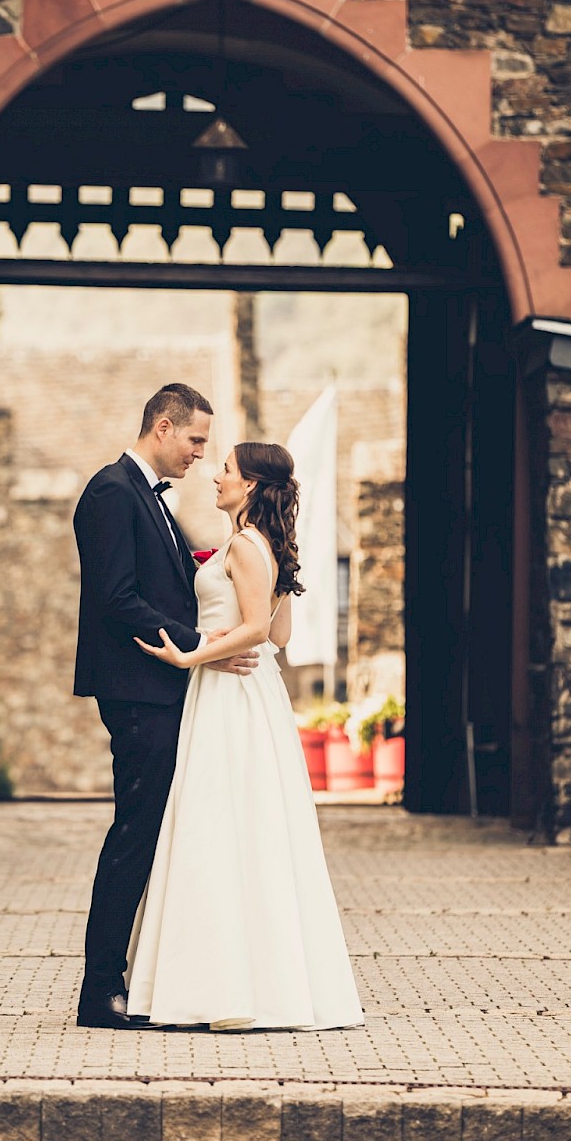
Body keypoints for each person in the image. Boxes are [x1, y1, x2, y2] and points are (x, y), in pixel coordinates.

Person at [127, 441, 364, 1032]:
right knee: (242, 827)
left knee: (216, 824)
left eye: (226, 470)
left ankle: (220, 985)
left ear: (252, 485)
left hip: (230, 692)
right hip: (247, 691)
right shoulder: (262, 546)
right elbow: (280, 634)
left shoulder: (243, 545)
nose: (215, 477)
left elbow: (258, 629)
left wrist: (191, 656)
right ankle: (241, 979)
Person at [72, 383, 258, 1030]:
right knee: (135, 834)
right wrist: (203, 645)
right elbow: (118, 599)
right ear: (161, 425)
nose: (201, 456)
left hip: (159, 687)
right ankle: (100, 991)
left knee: (152, 834)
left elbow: (163, 584)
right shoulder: (111, 492)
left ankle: (140, 979)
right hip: (137, 690)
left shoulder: (145, 497)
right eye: (195, 440)